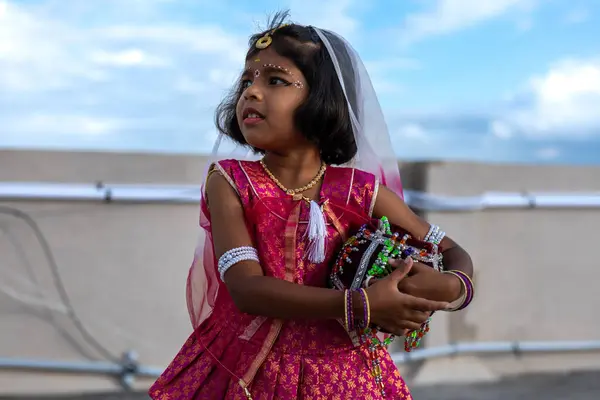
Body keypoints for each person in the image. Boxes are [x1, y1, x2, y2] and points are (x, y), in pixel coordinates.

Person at [149, 11, 474, 400]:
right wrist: (363, 304)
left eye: (275, 81)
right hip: (251, 371)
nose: (251, 92)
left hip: (345, 377)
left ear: (324, 97)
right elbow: (246, 288)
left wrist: (453, 285)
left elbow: (450, 250)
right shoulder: (232, 182)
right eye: (247, 81)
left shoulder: (361, 192)